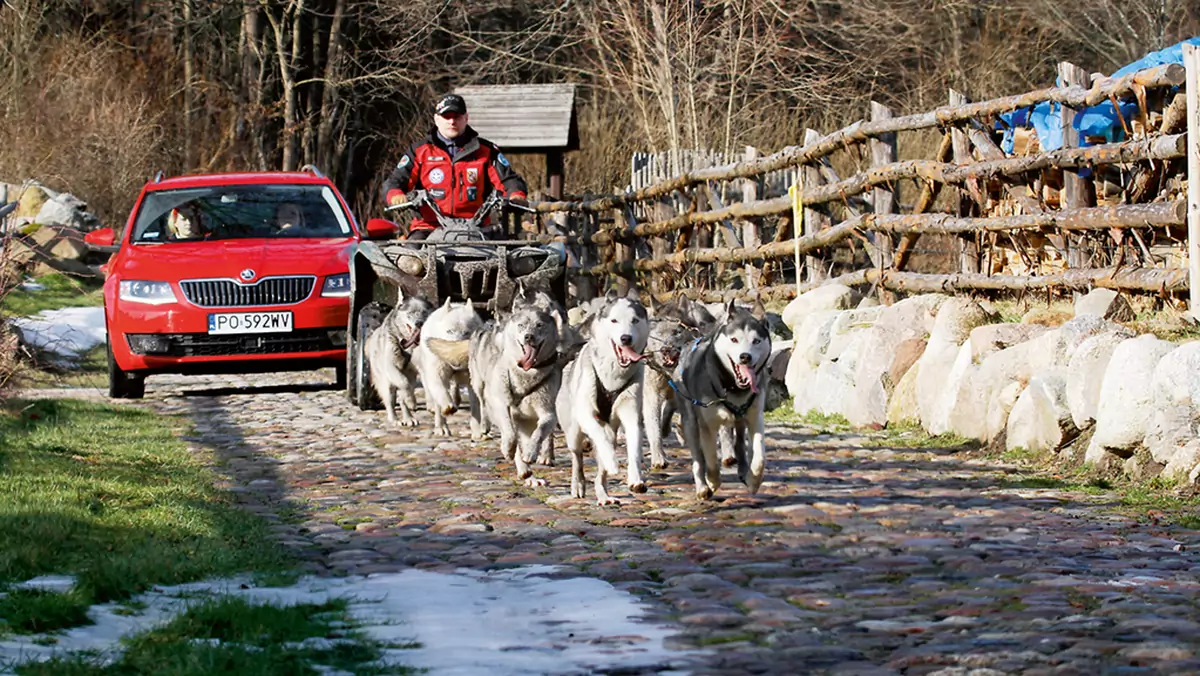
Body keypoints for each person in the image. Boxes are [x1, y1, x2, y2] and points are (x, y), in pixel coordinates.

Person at [382, 93, 528, 241]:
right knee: (407, 260)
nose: (452, 121)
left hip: (477, 228)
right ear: (436, 119)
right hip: (428, 227)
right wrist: (396, 196)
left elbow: (509, 180)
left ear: (466, 118)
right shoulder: (420, 151)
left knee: (512, 259)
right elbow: (395, 181)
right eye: (446, 116)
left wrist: (516, 196)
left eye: (457, 116)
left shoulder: (486, 150)